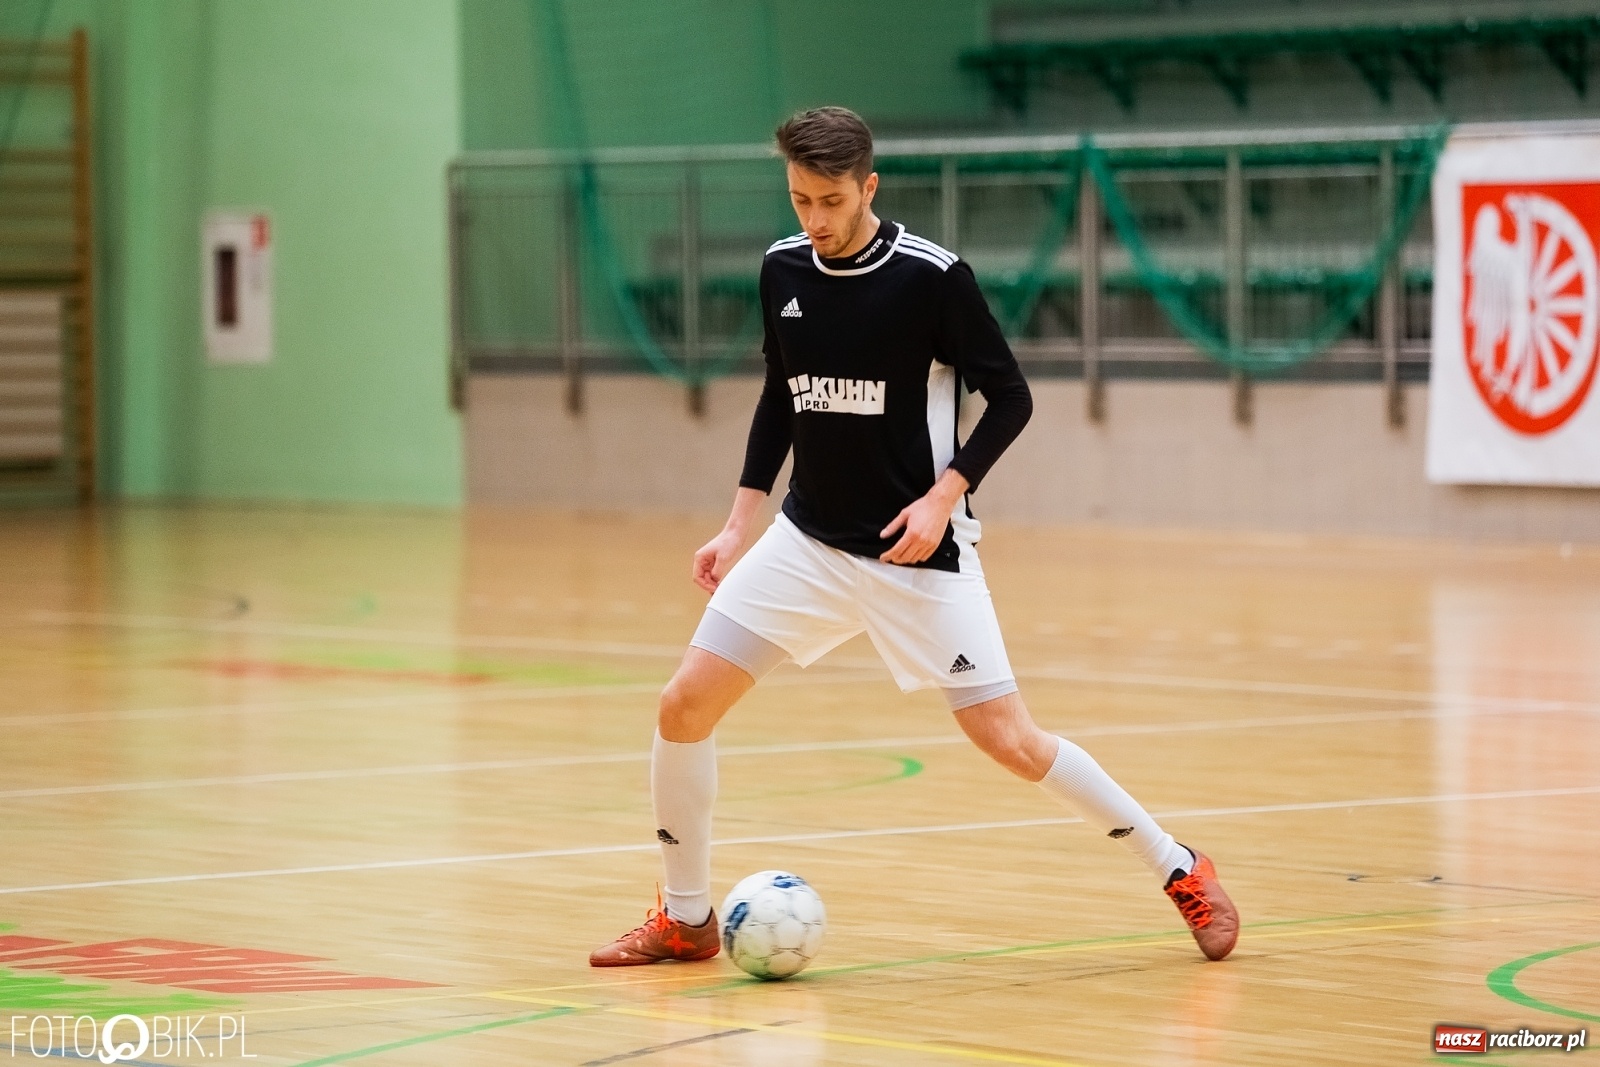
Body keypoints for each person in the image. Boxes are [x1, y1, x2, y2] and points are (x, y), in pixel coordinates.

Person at [589, 106, 1238, 967]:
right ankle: (687, 917)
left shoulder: (931, 277)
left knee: (1011, 741)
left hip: (917, 554)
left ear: (869, 187)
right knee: (683, 705)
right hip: (807, 543)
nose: (814, 220)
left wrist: (944, 496)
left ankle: (1179, 865)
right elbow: (782, 395)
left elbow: (1010, 397)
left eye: (830, 201)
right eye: (799, 199)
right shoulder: (783, 267)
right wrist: (739, 521)